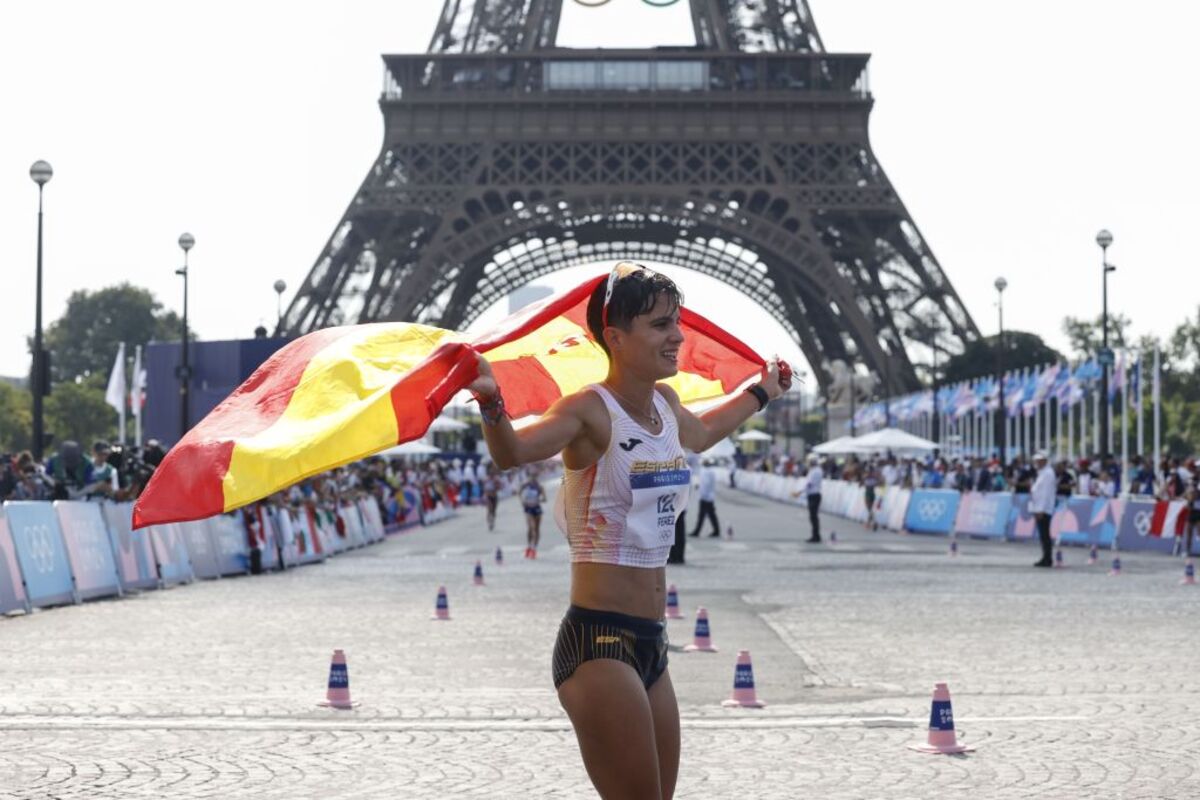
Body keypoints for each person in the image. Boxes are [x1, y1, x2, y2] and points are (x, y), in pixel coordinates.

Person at [467, 263, 789, 799]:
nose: (679, 337)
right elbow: (514, 452)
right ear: (615, 337)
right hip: (599, 643)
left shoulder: (665, 404)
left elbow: (705, 432)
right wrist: (492, 402)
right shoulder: (589, 410)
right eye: (661, 325)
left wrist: (763, 392)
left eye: (677, 323)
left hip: (652, 642)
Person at [1029, 451, 1056, 567]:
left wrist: (1040, 509)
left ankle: (1047, 558)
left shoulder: (1048, 474)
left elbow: (1045, 494)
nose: (1037, 463)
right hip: (1039, 507)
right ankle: (1045, 556)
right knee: (1043, 534)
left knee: (1045, 534)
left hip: (1043, 508)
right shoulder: (1042, 473)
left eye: (1039, 460)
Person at [688, 458, 720, 538]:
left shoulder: (706, 472)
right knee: (711, 515)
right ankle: (716, 530)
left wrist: (702, 494)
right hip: (709, 497)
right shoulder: (711, 471)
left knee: (702, 515)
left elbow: (705, 484)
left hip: (705, 497)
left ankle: (697, 531)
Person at [519, 471, 547, 558]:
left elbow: (545, 499)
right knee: (532, 528)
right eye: (532, 476)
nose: (533, 478)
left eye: (535, 476)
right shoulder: (525, 485)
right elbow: (519, 492)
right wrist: (522, 501)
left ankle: (534, 548)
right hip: (528, 509)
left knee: (537, 529)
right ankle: (529, 546)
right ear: (529, 477)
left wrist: (539, 500)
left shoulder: (539, 487)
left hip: (537, 508)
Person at [801, 455, 823, 543]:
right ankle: (815, 535)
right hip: (813, 494)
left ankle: (816, 535)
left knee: (813, 517)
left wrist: (801, 491)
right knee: (813, 516)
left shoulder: (815, 471)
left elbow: (809, 483)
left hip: (814, 494)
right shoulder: (815, 470)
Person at [482, 466, 501, 532]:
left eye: (492, 473)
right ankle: (489, 522)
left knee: (493, 511)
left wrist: (496, 484)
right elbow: (484, 488)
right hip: (488, 497)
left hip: (494, 496)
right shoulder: (486, 480)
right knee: (489, 509)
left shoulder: (496, 479)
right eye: (490, 473)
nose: (491, 474)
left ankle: (492, 521)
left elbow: (499, 488)